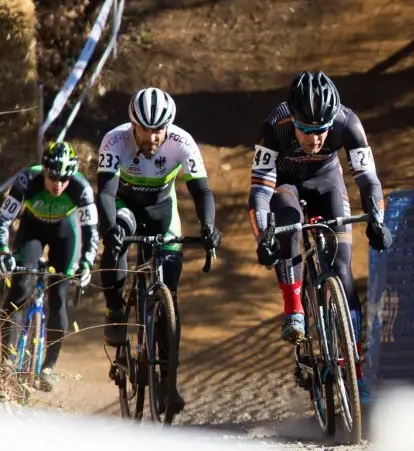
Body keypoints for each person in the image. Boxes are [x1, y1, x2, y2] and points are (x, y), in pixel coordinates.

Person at [248, 70, 393, 404]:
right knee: (287, 222)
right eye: (307, 130)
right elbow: (259, 190)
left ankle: (355, 372)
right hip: (284, 183)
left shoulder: (348, 122)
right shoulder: (275, 125)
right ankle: (295, 309)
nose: (315, 139)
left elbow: (368, 179)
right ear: (293, 120)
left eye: (321, 130)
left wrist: (377, 220)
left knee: (342, 269)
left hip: (327, 181)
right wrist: (263, 238)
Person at [96, 86, 222, 413]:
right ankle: (115, 310)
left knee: (170, 297)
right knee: (116, 245)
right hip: (124, 207)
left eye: (158, 130)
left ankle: (167, 383)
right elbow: (107, 194)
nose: (151, 138)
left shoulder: (182, 143)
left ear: (168, 127)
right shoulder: (114, 141)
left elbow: (202, 191)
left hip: (162, 211)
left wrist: (208, 226)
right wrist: (111, 232)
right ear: (132, 125)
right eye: (145, 129)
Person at [0, 141, 97, 391]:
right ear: (44, 169)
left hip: (64, 234)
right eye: (53, 177)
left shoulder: (81, 188)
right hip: (32, 230)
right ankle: (7, 359)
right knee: (21, 286)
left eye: (64, 179)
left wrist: (86, 262)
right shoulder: (26, 180)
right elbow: (3, 219)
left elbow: (91, 232)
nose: (58, 184)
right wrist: (3, 252)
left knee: (59, 296)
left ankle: (48, 366)